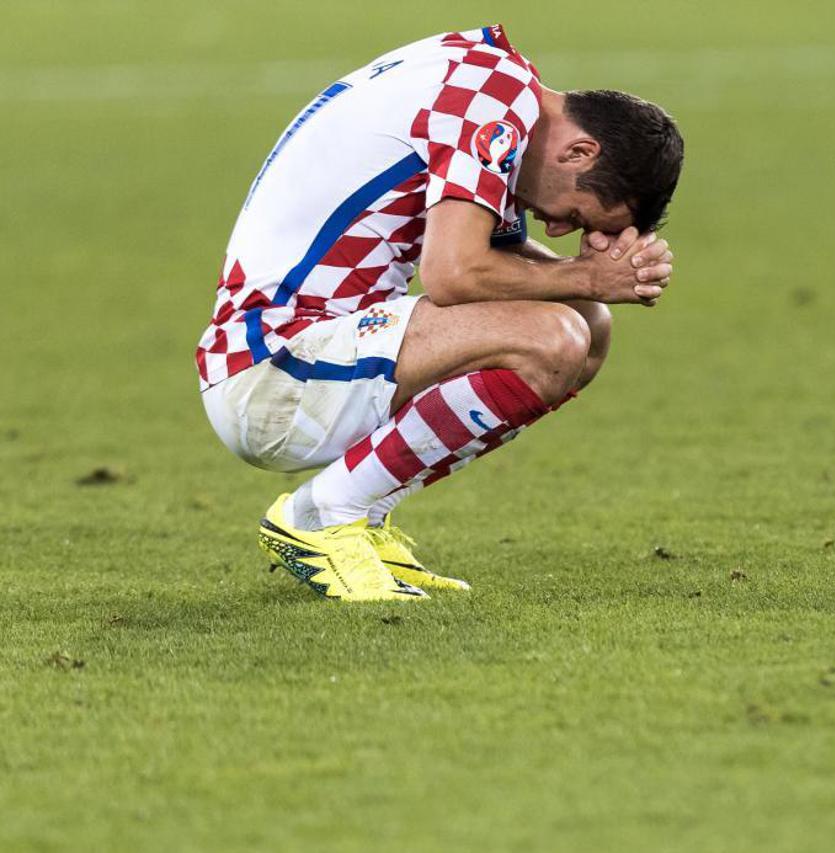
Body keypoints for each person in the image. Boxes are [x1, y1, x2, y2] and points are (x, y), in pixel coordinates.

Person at [196, 24, 683, 601]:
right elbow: (453, 274)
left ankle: (359, 517)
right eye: (574, 213)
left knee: (587, 321)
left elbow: (488, 259)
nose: (556, 228)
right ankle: (322, 517)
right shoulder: (494, 103)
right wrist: (589, 274)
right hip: (273, 367)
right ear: (579, 151)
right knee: (552, 336)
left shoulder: (487, 80)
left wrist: (592, 283)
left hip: (310, 354)